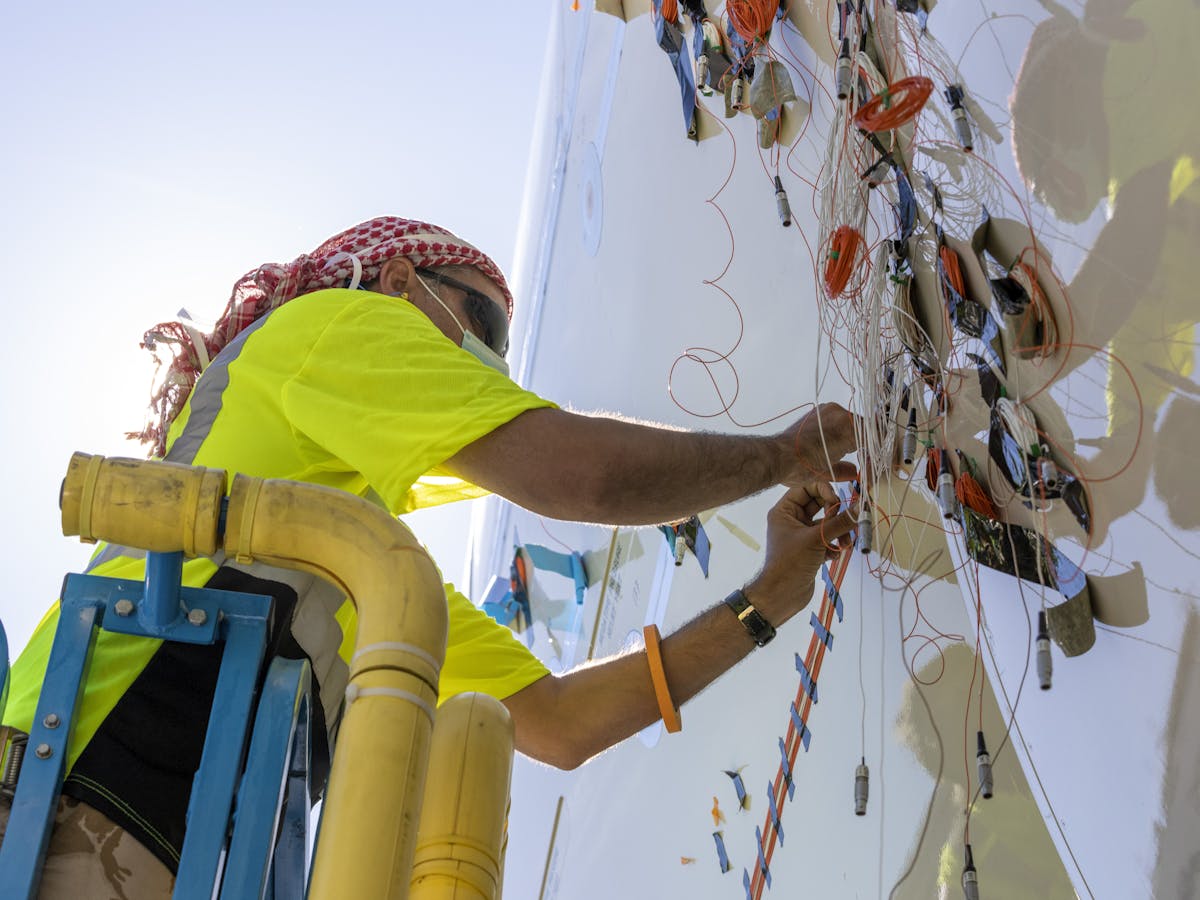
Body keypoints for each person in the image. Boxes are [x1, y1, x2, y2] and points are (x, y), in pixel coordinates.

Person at [0, 216, 858, 896]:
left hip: (154, 837)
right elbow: (583, 475)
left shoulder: (369, 571)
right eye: (479, 325)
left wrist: (772, 596)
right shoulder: (331, 325)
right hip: (74, 779)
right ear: (398, 282)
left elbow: (561, 724)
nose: (485, 363)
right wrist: (781, 456)